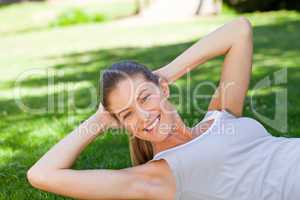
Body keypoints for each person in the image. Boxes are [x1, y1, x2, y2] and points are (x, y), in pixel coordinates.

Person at [27, 17, 300, 200]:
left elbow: (239, 29)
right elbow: (40, 175)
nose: (143, 116)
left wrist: (166, 73)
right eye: (127, 114)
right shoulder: (160, 176)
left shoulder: (220, 116)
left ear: (164, 90)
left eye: (145, 97)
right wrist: (99, 119)